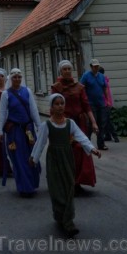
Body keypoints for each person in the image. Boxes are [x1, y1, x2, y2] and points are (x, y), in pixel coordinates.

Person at [30, 93, 101, 236]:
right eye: (56, 104)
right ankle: (59, 215)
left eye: (62, 103)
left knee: (69, 187)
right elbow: (41, 142)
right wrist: (34, 157)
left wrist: (92, 148)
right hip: (54, 159)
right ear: (51, 107)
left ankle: (68, 221)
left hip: (68, 158)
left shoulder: (70, 123)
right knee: (56, 189)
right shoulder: (47, 125)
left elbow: (81, 136)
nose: (60, 106)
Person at [51, 60, 99, 190]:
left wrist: (93, 122)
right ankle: (68, 181)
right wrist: (55, 124)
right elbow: (53, 108)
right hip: (64, 125)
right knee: (68, 152)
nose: (67, 71)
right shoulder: (57, 87)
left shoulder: (79, 87)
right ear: (60, 71)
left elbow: (86, 105)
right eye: (64, 69)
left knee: (82, 150)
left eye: (69, 69)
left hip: (80, 123)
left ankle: (78, 181)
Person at [0, 68, 42, 197]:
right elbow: (2, 113)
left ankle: (32, 184)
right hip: (15, 132)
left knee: (32, 156)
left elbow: (33, 110)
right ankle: (24, 187)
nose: (17, 79)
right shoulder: (6, 94)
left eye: (19, 77)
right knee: (19, 158)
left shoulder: (27, 91)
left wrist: (39, 127)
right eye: (14, 77)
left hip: (28, 130)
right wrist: (0, 130)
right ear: (10, 79)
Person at [80, 59, 109, 151]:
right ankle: (87, 142)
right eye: (94, 66)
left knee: (102, 123)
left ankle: (101, 143)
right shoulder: (86, 76)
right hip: (90, 103)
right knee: (92, 123)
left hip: (101, 103)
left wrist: (107, 100)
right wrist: (83, 100)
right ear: (91, 66)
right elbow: (81, 87)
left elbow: (105, 88)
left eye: (97, 66)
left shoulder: (101, 76)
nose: (96, 68)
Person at [98, 66, 119, 143]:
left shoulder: (102, 80)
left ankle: (115, 136)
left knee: (107, 121)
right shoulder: (104, 79)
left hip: (105, 103)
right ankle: (108, 136)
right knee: (105, 120)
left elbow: (105, 93)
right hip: (106, 102)